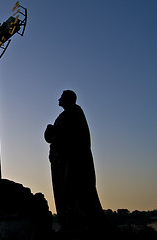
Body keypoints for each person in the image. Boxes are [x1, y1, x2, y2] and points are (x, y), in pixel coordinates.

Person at [45, 90, 106, 232]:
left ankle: (81, 222)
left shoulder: (74, 114)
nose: (58, 100)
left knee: (75, 189)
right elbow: (54, 137)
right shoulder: (65, 116)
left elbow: (72, 137)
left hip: (73, 161)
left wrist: (54, 131)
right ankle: (71, 221)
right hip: (62, 160)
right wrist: (51, 132)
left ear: (68, 99)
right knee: (66, 191)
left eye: (61, 97)